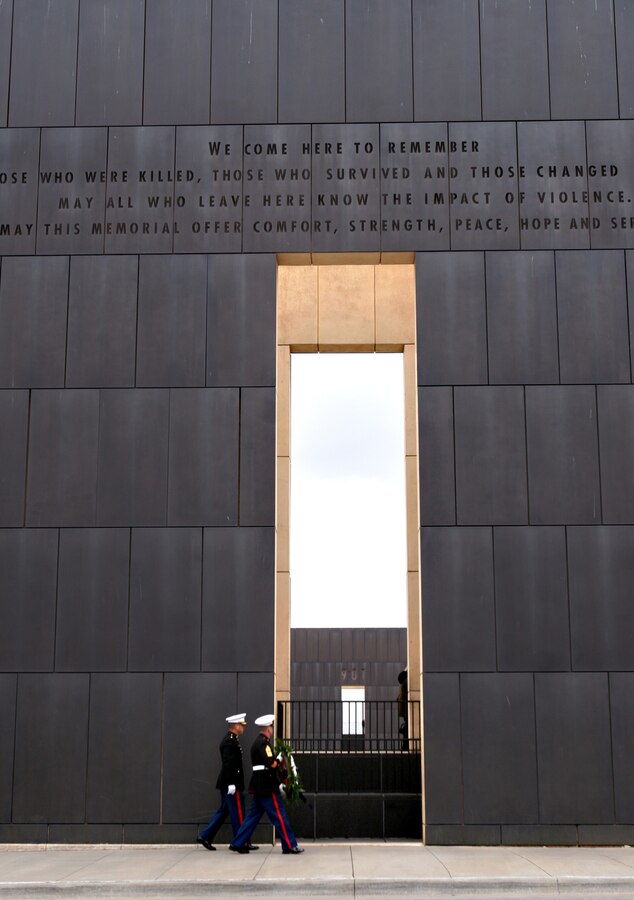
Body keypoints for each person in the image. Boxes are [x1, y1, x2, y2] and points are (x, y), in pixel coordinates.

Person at [229, 714, 304, 855]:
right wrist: (280, 759)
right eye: (271, 727)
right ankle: (289, 845)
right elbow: (271, 764)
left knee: (252, 817)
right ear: (268, 729)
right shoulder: (263, 743)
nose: (272, 729)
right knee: (279, 816)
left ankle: (238, 842)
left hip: (259, 785)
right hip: (267, 786)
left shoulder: (259, 742)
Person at [197, 713, 258, 851]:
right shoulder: (230, 742)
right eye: (242, 725)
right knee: (238, 813)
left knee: (224, 811)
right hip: (231, 784)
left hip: (228, 783)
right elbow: (229, 764)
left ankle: (206, 836)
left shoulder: (233, 740)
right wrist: (232, 783)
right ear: (236, 726)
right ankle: (242, 842)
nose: (243, 727)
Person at [397, 669, 408, 750]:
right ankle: (405, 745)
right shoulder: (405, 684)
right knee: (406, 728)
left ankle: (405, 745)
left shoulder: (405, 683)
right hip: (405, 710)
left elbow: (403, 696)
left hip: (406, 710)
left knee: (406, 729)